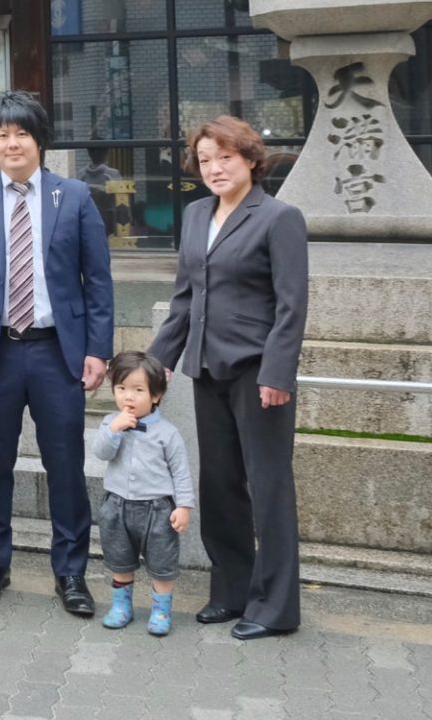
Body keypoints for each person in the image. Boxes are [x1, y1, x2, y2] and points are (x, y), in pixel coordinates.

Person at [0, 90, 114, 616]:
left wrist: (98, 351)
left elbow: (97, 282)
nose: (11, 143)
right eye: (1, 135)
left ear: (39, 139)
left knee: (66, 464)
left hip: (57, 352)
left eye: (21, 133)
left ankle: (71, 573)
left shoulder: (75, 196)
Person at [148, 115, 307, 641]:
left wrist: (278, 372)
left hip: (260, 374)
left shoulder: (278, 217)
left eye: (226, 158)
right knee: (219, 486)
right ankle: (232, 592)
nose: (214, 168)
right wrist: (155, 365)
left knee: (268, 488)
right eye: (206, 159)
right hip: (207, 368)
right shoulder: (196, 215)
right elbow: (184, 298)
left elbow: (291, 306)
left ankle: (276, 607)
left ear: (250, 160)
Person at [91, 350, 193, 636]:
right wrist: (114, 430)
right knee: (120, 560)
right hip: (117, 505)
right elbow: (101, 452)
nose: (128, 397)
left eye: (138, 390)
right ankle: (121, 606)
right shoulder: (110, 422)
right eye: (121, 389)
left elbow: (181, 472)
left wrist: (183, 506)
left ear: (156, 395)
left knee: (162, 563)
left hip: (157, 509)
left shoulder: (168, 433)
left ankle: (161, 609)